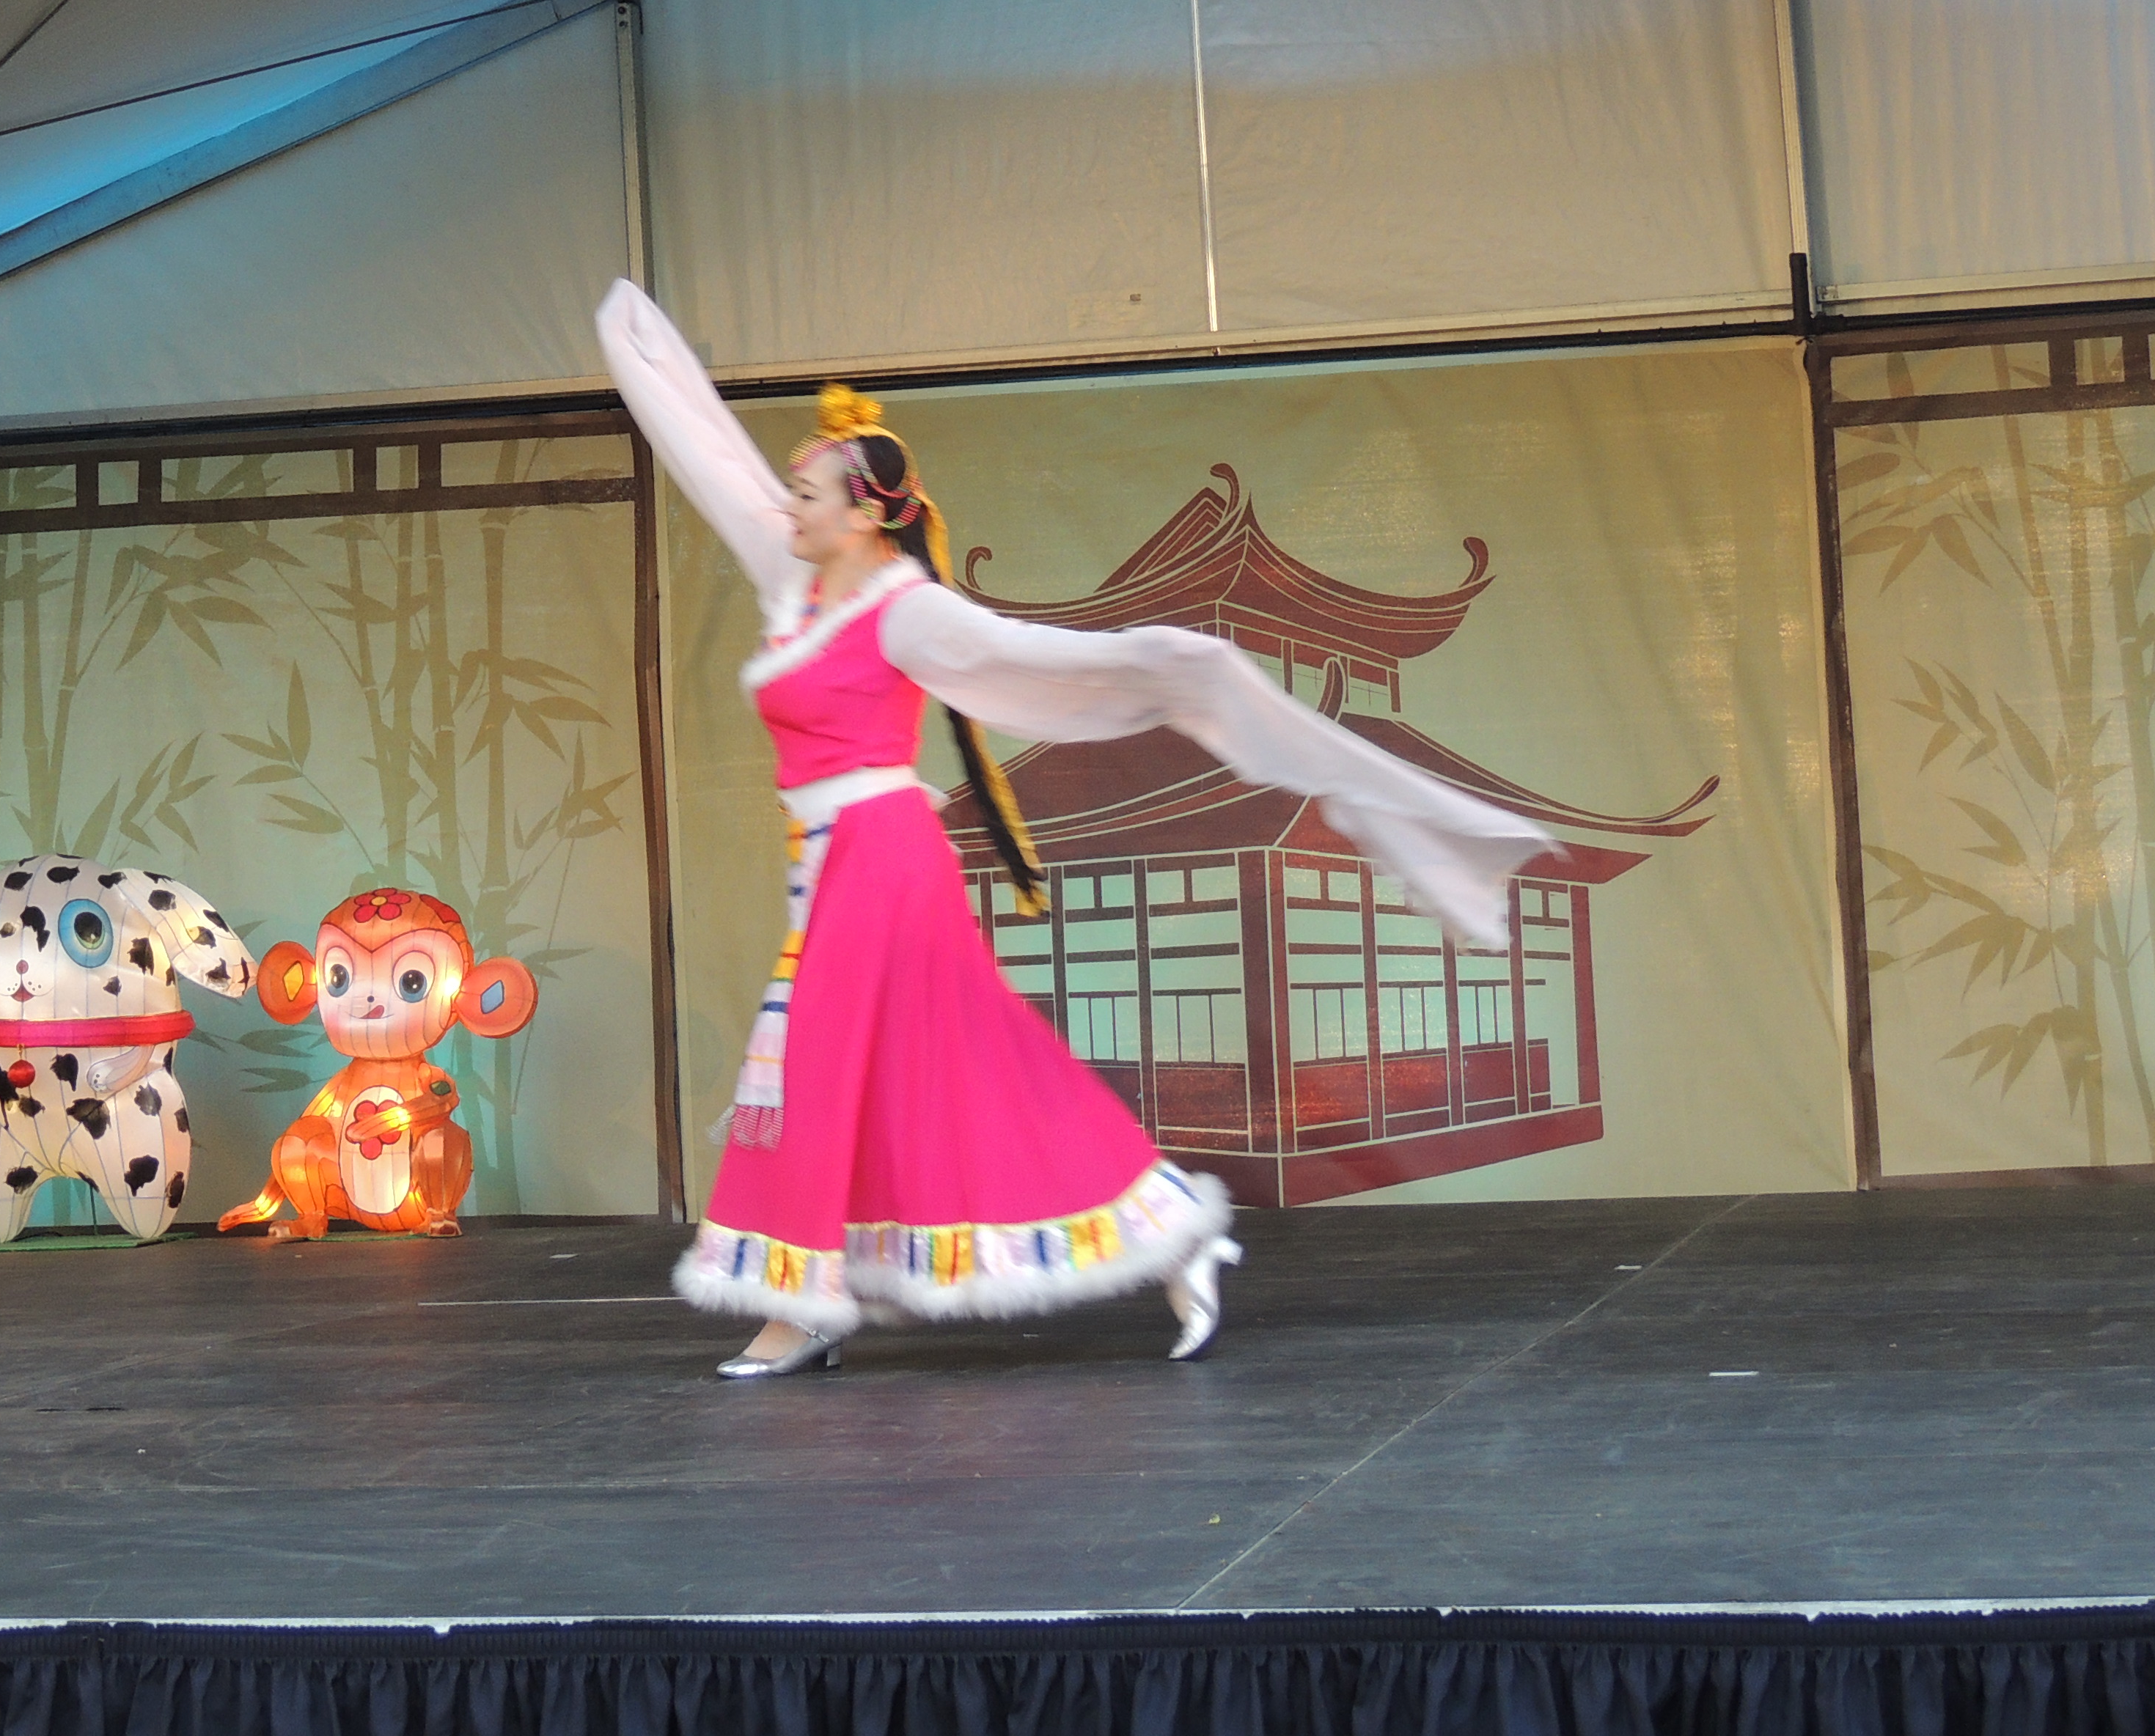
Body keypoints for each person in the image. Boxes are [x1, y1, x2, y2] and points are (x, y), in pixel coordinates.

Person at [595, 282, 1553, 1378]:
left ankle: (800, 1302)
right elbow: (715, 466)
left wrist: (1181, 665)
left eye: (805, 495)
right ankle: (1163, 1235)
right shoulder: (796, 588)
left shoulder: (908, 610)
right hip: (831, 864)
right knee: (952, 1069)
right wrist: (638, 346)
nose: (786, 509)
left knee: (810, 1069)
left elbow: (1048, 660)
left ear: (862, 515)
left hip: (881, 861)